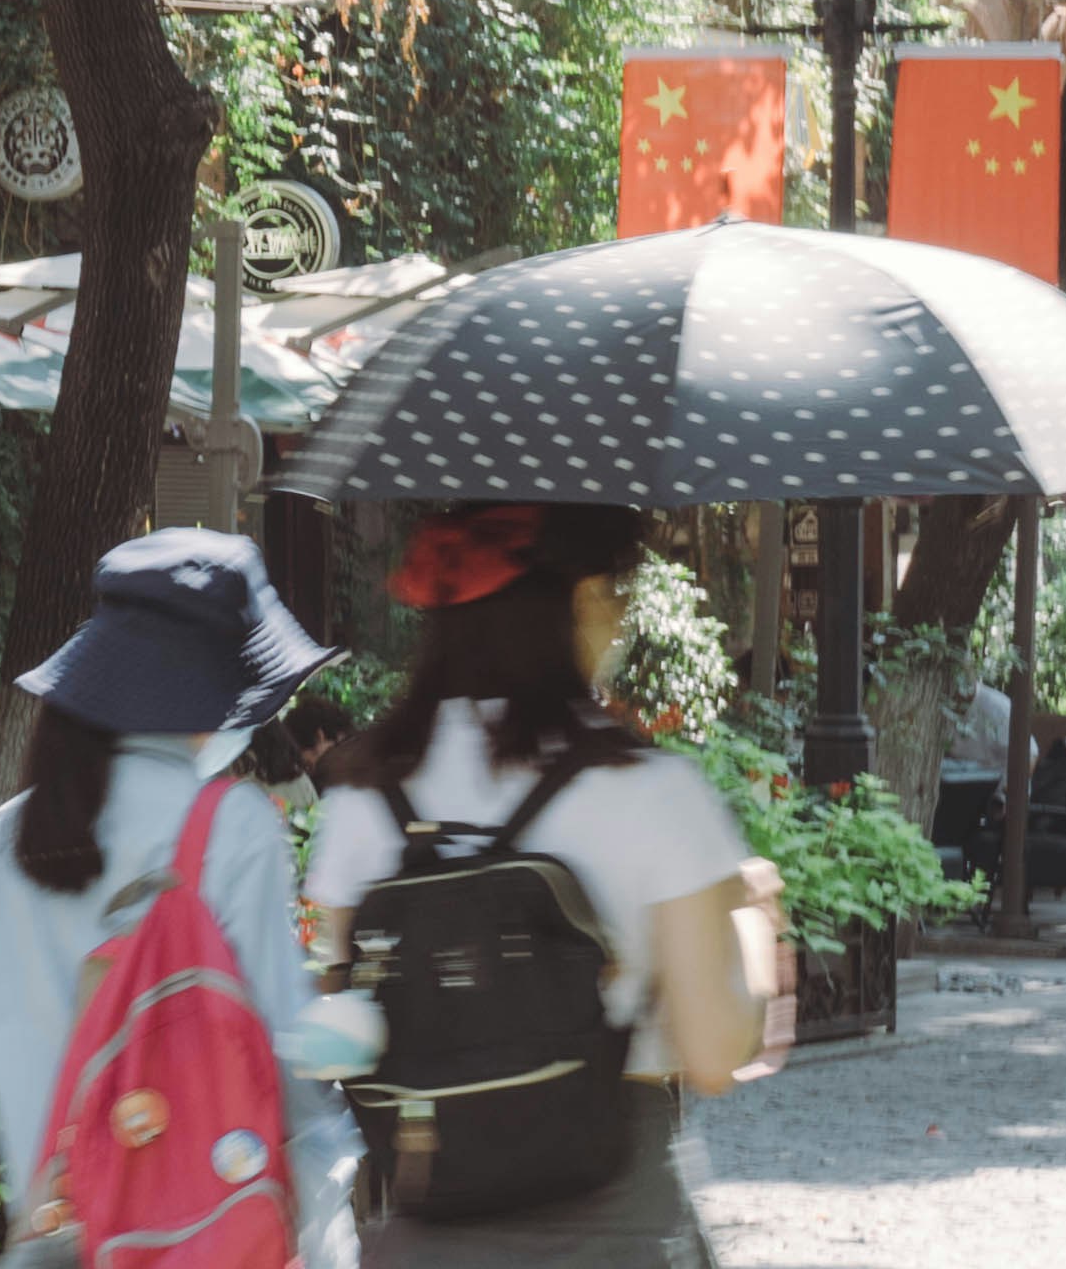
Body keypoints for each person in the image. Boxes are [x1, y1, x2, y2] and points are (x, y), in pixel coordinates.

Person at [302, 504, 786, 1269]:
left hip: (428, 1234)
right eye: (619, 593)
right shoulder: (649, 789)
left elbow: (350, 1027)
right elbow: (716, 1055)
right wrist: (757, 923)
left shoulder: (363, 797)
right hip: (617, 1229)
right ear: (582, 599)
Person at [0, 527, 369, 1264]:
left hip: (53, 1241)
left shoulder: (5, 846)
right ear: (217, 690)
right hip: (198, 1240)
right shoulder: (231, 828)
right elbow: (281, 1048)